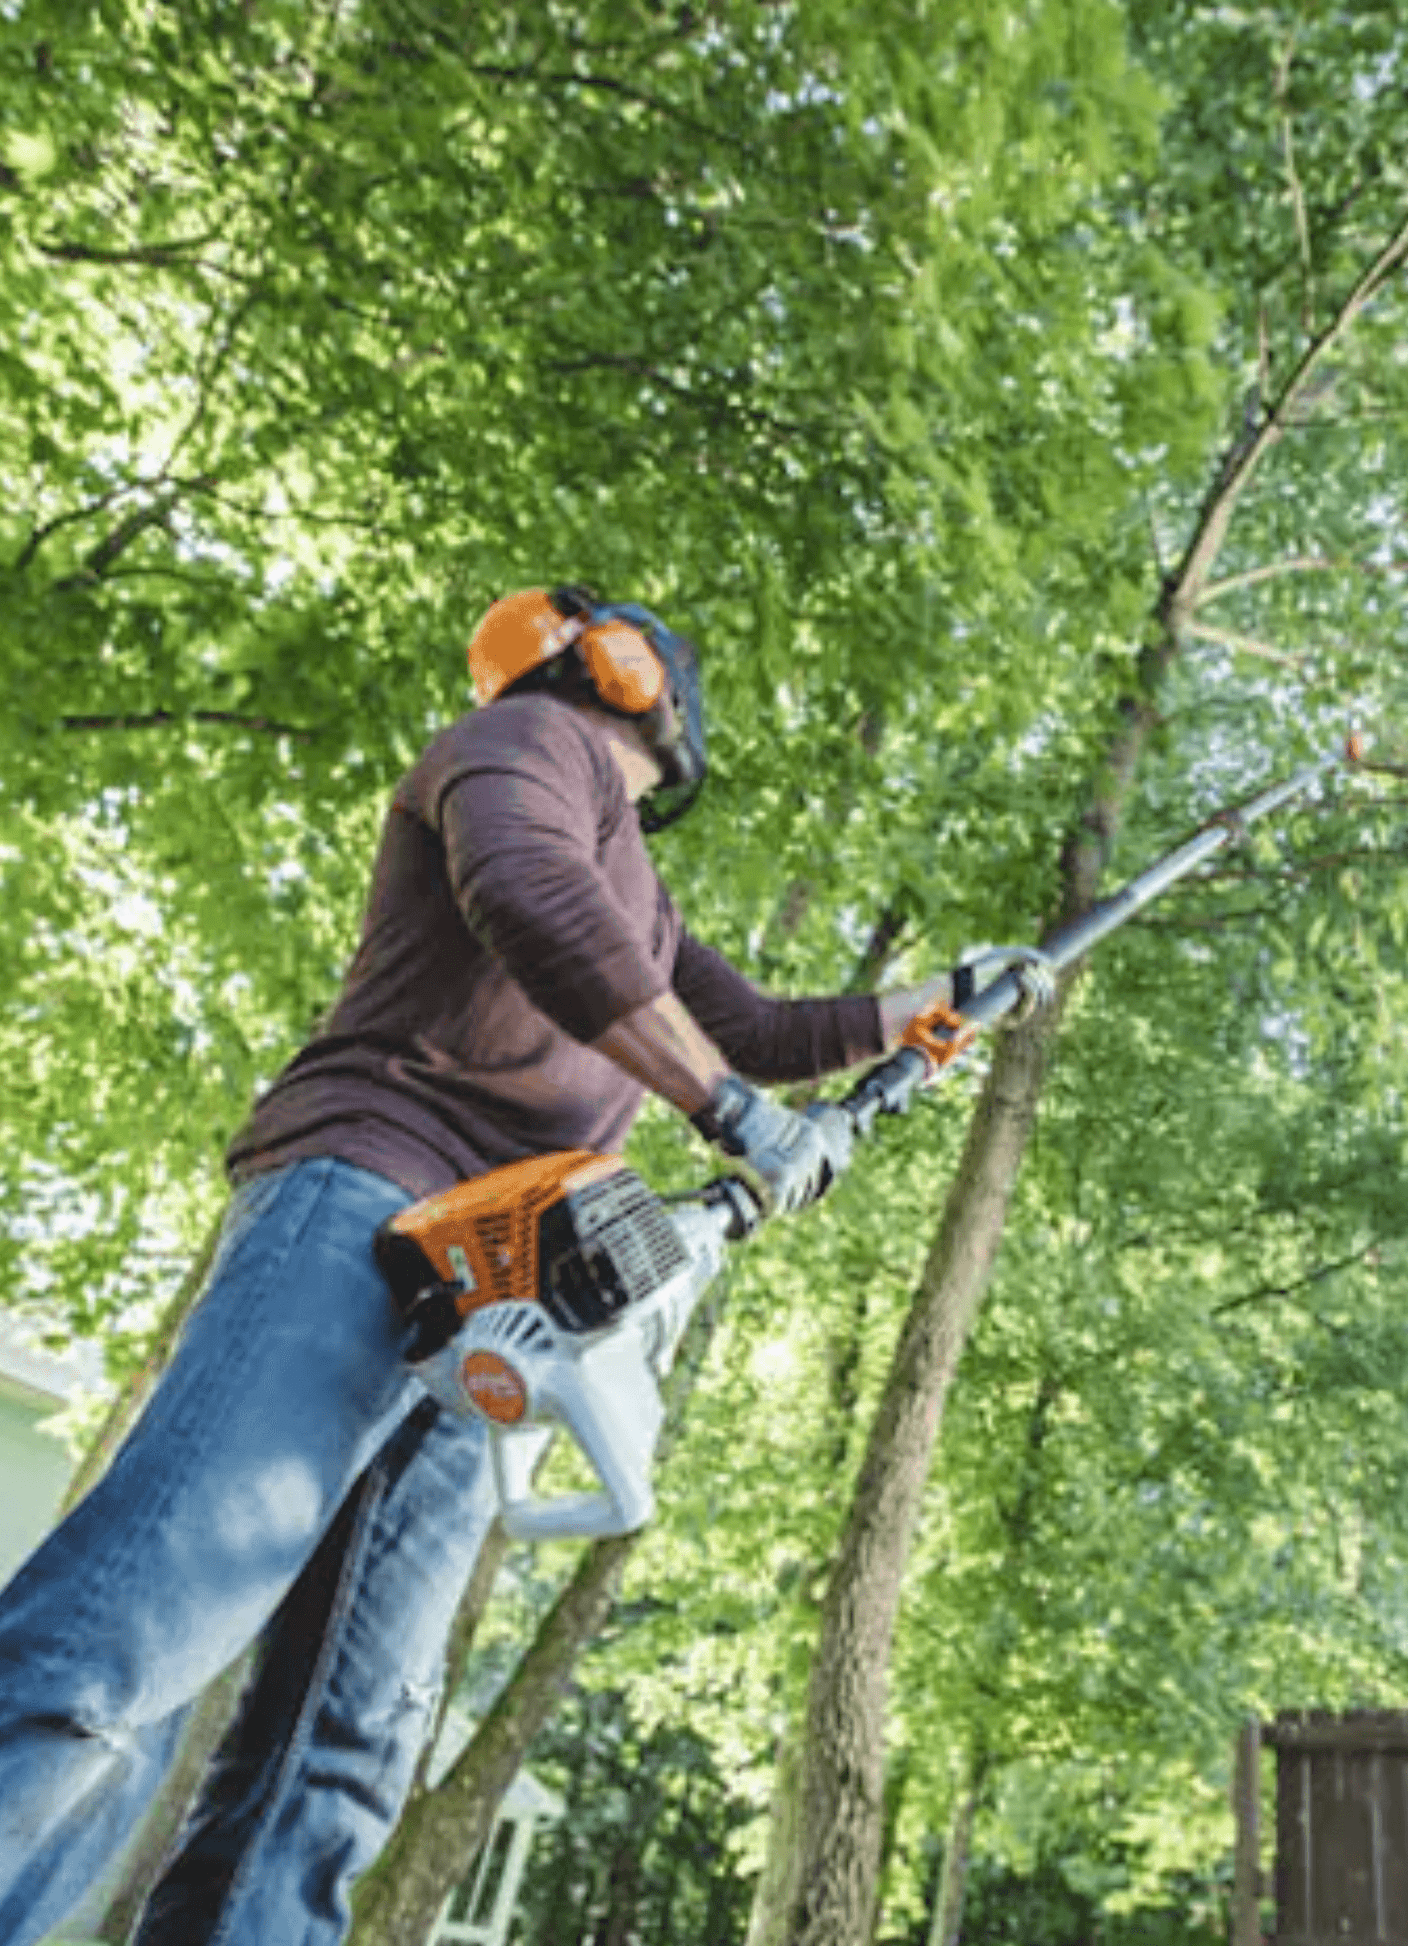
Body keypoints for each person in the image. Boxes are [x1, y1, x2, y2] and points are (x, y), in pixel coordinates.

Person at [0, 586, 1051, 1946]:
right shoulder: (519, 746)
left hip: (500, 1290)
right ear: (614, 663)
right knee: (136, 1631)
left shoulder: (643, 893)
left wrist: (933, 1001)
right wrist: (725, 1115)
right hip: (371, 1201)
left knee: (344, 1752)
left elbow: (767, 1026)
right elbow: (530, 896)